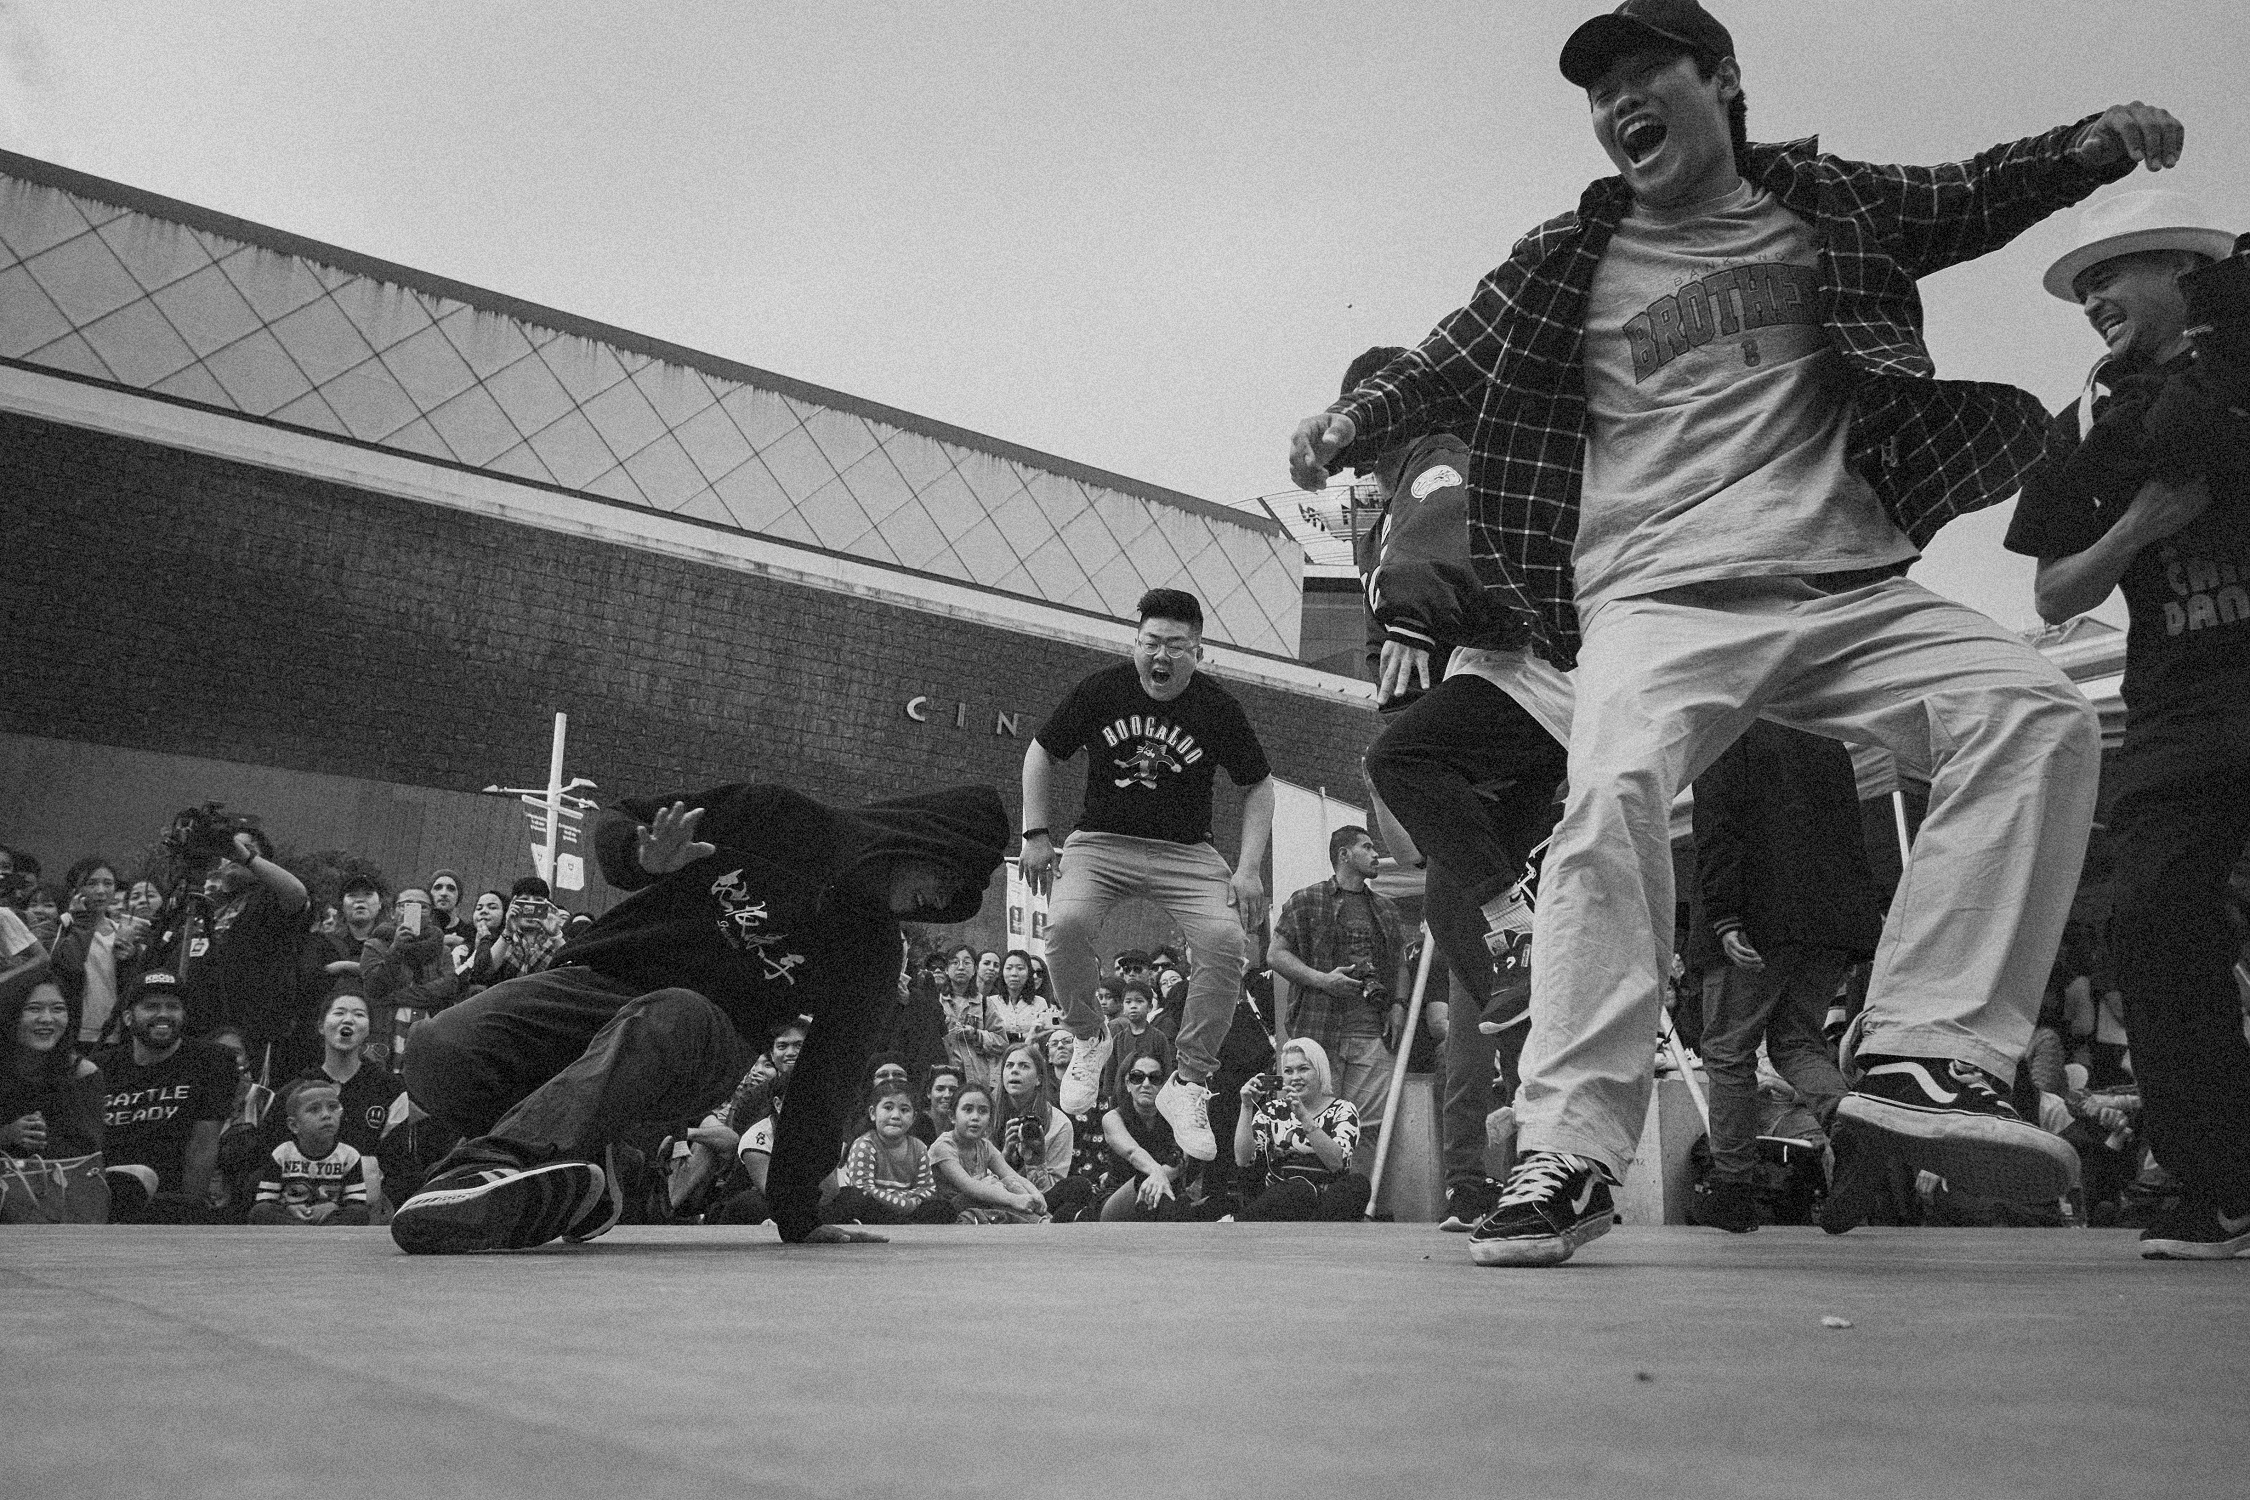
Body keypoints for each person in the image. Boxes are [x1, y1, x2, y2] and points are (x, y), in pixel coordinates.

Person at [1290, 0, 2175, 1266]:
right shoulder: (1564, 262)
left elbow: (1974, 194)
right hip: (1657, 603)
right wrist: (1350, 417)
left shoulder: (1827, 206)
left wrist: (2091, 148)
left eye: (1647, 78)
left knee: (2033, 713)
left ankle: (1923, 1052)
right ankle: (1572, 1153)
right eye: (1601, 96)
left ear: (1723, 81)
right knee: (1609, 797)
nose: (1618, 109)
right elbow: (1443, 362)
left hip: (1844, 588)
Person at [389, 781, 1007, 1253]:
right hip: (606, 980)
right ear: (922, 842)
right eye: (944, 879)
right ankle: (585, 1176)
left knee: (672, 1013)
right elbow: (622, 817)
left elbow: (828, 1075)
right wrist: (640, 859)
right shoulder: (775, 818)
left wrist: (798, 1212)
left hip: (706, 1038)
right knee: (438, 1048)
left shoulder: (872, 953)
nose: (940, 901)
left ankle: (492, 1168)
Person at [2004, 188, 2250, 1260]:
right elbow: (2056, 593)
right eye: (2082, 285)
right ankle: (2227, 1185)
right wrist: (2143, 523)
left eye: (2112, 274)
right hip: (2178, 703)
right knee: (2150, 925)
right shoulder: (2087, 423)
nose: (2094, 298)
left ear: (2187, 276)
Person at [1020, 587, 1274, 1162]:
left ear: (1198, 653)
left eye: (1176, 648)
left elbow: (1258, 785)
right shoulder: (1102, 689)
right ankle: (1088, 1037)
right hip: (1101, 844)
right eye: (1150, 644)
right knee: (1064, 923)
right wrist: (1036, 833)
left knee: (1225, 939)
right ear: (1136, 644)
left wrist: (1249, 868)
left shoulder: (1216, 707)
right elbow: (1041, 750)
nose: (1161, 658)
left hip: (1186, 852)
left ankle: (1188, 1081)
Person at [1690, 721, 1882, 1232]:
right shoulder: (1825, 735)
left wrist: (1724, 915)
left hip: (1758, 917)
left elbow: (1717, 825)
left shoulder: (1726, 728)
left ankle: (1732, 1188)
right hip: (1829, 922)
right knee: (1798, 1042)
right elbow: (1849, 833)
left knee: (1729, 1051)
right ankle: (1852, 1126)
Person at [1268, 826, 1411, 1143]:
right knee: (1309, 1124)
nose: (1376, 855)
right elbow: (1276, 955)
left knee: (1369, 1131)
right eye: (1367, 847)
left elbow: (1400, 964)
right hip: (1319, 1031)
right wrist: (1323, 980)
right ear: (1344, 855)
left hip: (1373, 1033)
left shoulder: (1386, 907)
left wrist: (1399, 1006)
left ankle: (1360, 1193)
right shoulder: (1307, 900)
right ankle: (1314, 1191)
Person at [94, 970, 235, 1223]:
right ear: (128, 1017)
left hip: (172, 1202)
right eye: (151, 1006)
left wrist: (187, 1212)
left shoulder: (213, 1061)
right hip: (108, 1194)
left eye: (173, 1007)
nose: (163, 1014)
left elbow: (203, 1145)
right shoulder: (102, 1067)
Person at [170, 824, 310, 1061]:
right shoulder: (203, 902)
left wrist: (245, 857)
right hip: (191, 1028)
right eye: (228, 849)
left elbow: (297, 894)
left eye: (246, 847)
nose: (231, 853)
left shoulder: (268, 898)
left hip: (247, 1034)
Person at [0, 931, 109, 1224]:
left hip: (60, 1193)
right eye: (33, 1009)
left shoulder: (82, 1073)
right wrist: (8, 1134)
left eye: (58, 1009)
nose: (47, 1020)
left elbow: (87, 1155)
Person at [1231, 1038, 1370, 1222]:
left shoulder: (1343, 1109)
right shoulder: (1273, 1110)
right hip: (1286, 1197)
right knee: (1300, 1189)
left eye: (1303, 1069)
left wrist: (1304, 1116)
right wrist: (1247, 1107)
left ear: (1320, 1071)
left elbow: (1337, 1163)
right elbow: (1243, 1159)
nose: (1295, 1077)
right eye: (1288, 1071)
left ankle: (1315, 1234)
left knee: (1358, 1184)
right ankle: (1236, 1224)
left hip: (1327, 1202)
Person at [360, 884, 466, 1077]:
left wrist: (393, 996)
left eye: (422, 906)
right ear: (393, 913)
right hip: (384, 1033)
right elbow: (374, 987)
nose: (414, 910)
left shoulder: (442, 951)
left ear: (431, 914)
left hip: (429, 1035)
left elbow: (448, 988)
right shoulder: (375, 945)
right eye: (406, 905)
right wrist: (395, 949)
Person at [823, 1078, 953, 1226]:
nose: (896, 1116)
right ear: (873, 1113)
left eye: (904, 1110)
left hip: (908, 1206)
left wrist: (907, 1202)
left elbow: (927, 1189)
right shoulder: (864, 1144)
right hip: (875, 1205)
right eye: (888, 1108)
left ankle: (903, 1221)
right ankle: (902, 1222)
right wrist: (901, 1203)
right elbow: (864, 1188)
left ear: (914, 1117)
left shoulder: (919, 1147)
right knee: (852, 1197)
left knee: (943, 1208)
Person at [247, 1077, 371, 1225]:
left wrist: (333, 1206)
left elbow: (356, 1202)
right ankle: (304, 1232)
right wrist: (289, 1208)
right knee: (260, 1212)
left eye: (333, 1107)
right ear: (294, 1125)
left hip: (331, 1219)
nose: (326, 1115)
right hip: (292, 1218)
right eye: (314, 1109)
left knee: (360, 1213)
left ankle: (316, 1234)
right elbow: (266, 1200)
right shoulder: (282, 1154)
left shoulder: (349, 1155)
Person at [993, 1042, 1093, 1221]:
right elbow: (976, 1177)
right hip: (995, 1194)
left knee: (1079, 1186)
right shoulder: (986, 1113)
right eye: (1009, 1066)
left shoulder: (1059, 1124)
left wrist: (1035, 1161)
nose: (1014, 1071)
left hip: (1039, 1198)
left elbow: (1049, 1191)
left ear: (1039, 1079)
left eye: (1024, 1066)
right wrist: (1004, 1157)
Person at [928, 1082, 1046, 1223]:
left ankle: (1043, 1218)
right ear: (952, 1116)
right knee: (991, 1186)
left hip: (982, 1205)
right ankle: (1041, 1223)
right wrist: (1014, 1199)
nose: (975, 1117)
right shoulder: (943, 1146)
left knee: (1008, 1182)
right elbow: (970, 1187)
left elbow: (1012, 1175)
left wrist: (1036, 1193)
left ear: (990, 1119)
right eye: (968, 1109)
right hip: (951, 1211)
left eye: (983, 1111)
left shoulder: (984, 1146)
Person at [1099, 1055, 1189, 1221]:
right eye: (1137, 1077)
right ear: (1127, 1083)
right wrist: (1156, 1173)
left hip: (1166, 1195)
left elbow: (1181, 1163)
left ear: (1163, 1085)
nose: (1146, 1084)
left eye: (1154, 1078)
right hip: (1117, 1200)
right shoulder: (1112, 1118)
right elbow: (1133, 1152)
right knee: (1144, 1179)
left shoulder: (1176, 1117)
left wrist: (1156, 1179)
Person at [917, 1063, 963, 1145]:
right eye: (940, 1089)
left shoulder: (962, 1125)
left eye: (953, 1090)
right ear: (928, 1093)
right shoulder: (916, 1124)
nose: (947, 1095)